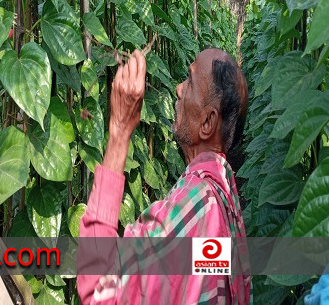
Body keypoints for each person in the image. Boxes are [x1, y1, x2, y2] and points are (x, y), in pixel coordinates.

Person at [77, 48, 251, 304]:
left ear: (207, 123)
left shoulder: (198, 204)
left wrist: (119, 131)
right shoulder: (224, 196)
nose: (179, 89)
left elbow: (98, 290)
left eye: (190, 81)